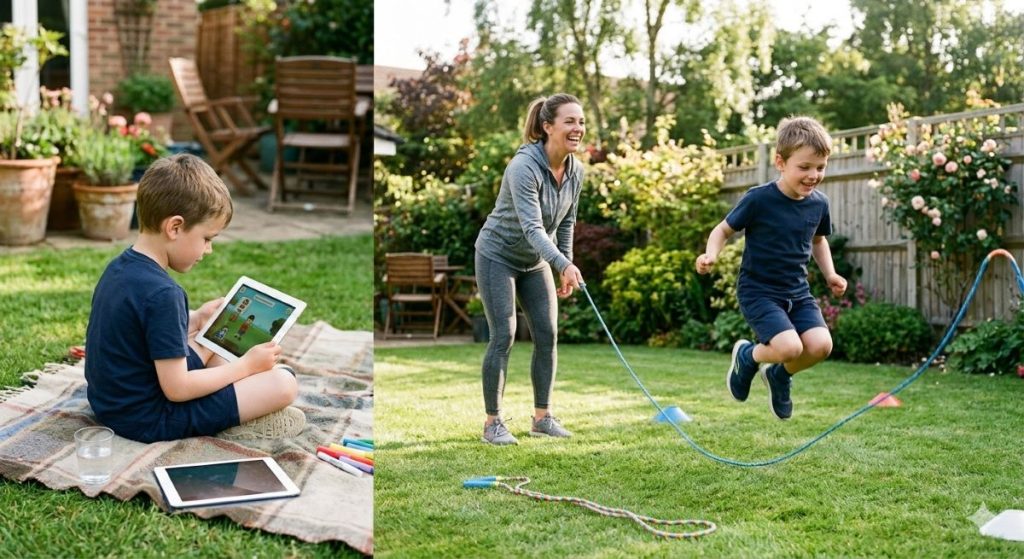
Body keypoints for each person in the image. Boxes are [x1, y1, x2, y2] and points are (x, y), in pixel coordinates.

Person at [84, 154, 305, 443]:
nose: (209, 249)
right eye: (207, 238)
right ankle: (239, 419)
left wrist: (196, 317)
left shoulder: (119, 268)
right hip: (149, 419)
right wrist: (247, 366)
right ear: (175, 227)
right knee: (283, 382)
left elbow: (138, 330)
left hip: (112, 405)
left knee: (211, 338)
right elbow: (177, 389)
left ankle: (241, 396)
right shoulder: (165, 293)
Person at [695, 116, 847, 420]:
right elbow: (722, 230)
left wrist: (830, 273)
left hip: (797, 292)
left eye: (820, 167)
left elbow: (818, 241)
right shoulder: (759, 199)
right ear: (780, 162)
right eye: (804, 167)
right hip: (759, 292)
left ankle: (778, 375)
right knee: (790, 347)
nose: (813, 175)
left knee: (820, 346)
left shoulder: (819, 204)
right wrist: (710, 255)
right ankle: (747, 355)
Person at [474, 93, 586, 445]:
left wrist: (561, 262)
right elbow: (533, 228)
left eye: (581, 122)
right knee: (503, 336)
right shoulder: (523, 167)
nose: (578, 128)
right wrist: (563, 264)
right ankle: (493, 423)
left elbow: (566, 221)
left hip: (535, 261)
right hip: (498, 255)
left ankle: (542, 417)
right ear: (547, 126)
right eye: (570, 121)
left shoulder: (575, 171)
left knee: (547, 334)